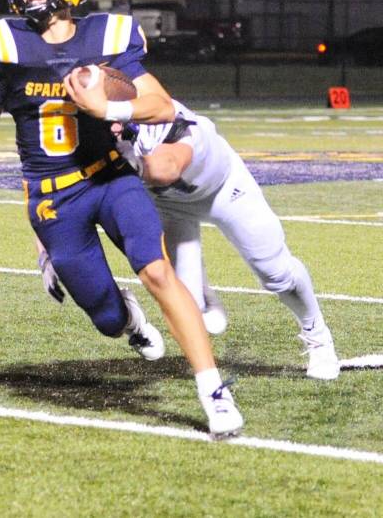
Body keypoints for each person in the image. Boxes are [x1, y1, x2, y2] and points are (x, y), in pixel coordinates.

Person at [0, 0, 243, 439]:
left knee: (158, 271)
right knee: (107, 319)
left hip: (110, 177)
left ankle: (214, 390)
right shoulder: (5, 45)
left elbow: (160, 105)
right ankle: (131, 322)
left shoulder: (106, 37)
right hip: (54, 198)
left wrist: (108, 107)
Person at [114, 100, 340, 379]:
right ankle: (204, 297)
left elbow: (167, 168)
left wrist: (133, 165)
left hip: (225, 189)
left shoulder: (165, 118)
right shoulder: (96, 133)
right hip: (171, 206)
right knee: (187, 305)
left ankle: (318, 336)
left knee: (276, 273)